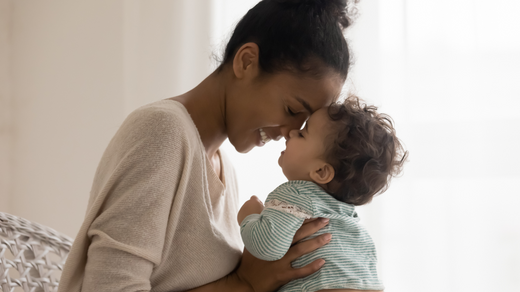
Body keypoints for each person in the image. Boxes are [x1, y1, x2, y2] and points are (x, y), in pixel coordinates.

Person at [58, 0, 359, 291]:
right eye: (293, 110)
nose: (289, 133)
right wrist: (243, 284)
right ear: (247, 62)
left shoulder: (223, 167)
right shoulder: (163, 132)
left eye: (304, 125)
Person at [238, 97, 407, 292]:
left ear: (321, 172)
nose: (292, 132)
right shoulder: (350, 223)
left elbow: (267, 245)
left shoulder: (296, 194)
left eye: (302, 134)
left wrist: (249, 216)